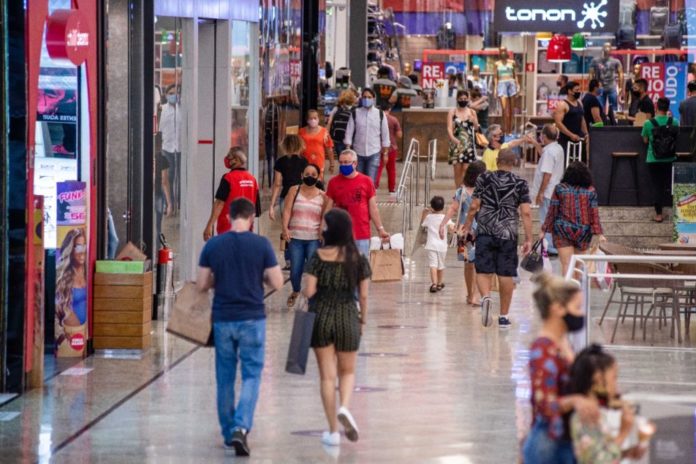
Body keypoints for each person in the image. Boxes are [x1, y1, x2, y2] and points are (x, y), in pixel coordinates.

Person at [197, 198, 284, 456]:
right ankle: (241, 426)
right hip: (252, 318)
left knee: (224, 377)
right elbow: (278, 282)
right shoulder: (261, 245)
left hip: (223, 318)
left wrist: (219, 279)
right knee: (251, 374)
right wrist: (259, 277)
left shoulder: (214, 245)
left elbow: (202, 284)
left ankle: (227, 433)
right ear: (251, 218)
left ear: (229, 216)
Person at [303, 208, 372, 447]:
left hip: (321, 316)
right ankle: (344, 407)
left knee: (326, 375)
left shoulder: (318, 256)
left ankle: (332, 431)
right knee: (348, 371)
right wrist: (362, 320)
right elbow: (363, 296)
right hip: (347, 315)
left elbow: (309, 291)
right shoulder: (359, 259)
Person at [522, 273, 598, 464]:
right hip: (548, 443)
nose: (580, 314)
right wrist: (575, 401)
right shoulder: (542, 349)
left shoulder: (563, 342)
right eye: (577, 307)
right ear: (558, 308)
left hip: (565, 437)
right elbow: (545, 404)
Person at [460, 149, 533, 328]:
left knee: (483, 270)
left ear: (497, 161)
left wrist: (467, 227)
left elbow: (474, 206)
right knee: (505, 273)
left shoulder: (484, 178)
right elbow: (526, 212)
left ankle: (485, 297)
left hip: (485, 231)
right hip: (508, 234)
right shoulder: (520, 183)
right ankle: (503, 316)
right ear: (514, 162)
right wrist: (529, 239)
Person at [568, 345, 648, 464]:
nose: (617, 387)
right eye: (614, 378)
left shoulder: (597, 413)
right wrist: (623, 432)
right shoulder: (585, 417)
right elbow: (597, 461)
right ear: (598, 379)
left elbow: (601, 453)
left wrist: (626, 453)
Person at [541, 161, 605, 278]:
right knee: (578, 266)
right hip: (583, 232)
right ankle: (576, 293)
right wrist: (599, 233)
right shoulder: (590, 191)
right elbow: (594, 213)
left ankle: (567, 295)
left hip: (562, 231)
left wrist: (544, 229)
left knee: (566, 265)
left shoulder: (560, 189)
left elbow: (552, 210)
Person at [325, 149, 390, 256]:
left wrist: (380, 229)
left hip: (361, 234)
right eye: (341, 162)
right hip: (340, 235)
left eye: (346, 162)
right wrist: (324, 229)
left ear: (355, 163)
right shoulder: (333, 182)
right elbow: (328, 208)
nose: (343, 165)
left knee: (360, 270)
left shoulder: (367, 181)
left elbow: (373, 208)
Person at [440, 161, 486, 305]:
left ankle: (469, 294)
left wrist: (443, 224)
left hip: (463, 231)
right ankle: (476, 295)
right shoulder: (485, 190)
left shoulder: (461, 191)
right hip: (481, 229)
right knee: (480, 264)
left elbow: (453, 209)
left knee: (468, 264)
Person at [282, 164, 326, 308]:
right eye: (307, 173)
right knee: (295, 270)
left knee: (313, 270)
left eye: (313, 174)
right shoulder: (294, 191)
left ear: (318, 177)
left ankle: (312, 298)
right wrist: (285, 228)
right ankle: (295, 290)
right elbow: (287, 211)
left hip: (314, 238)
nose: (310, 177)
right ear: (301, 175)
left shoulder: (323, 196)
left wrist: (321, 231)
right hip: (296, 238)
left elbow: (324, 217)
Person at [203, 147, 260, 241]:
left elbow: (219, 203)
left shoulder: (228, 178)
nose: (227, 159)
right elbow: (256, 211)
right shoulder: (252, 180)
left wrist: (209, 226)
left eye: (229, 157)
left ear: (237, 160)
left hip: (227, 229)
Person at [528, 124, 565, 256]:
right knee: (552, 218)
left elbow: (547, 174)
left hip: (548, 191)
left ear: (543, 136)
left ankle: (549, 248)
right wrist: (534, 143)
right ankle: (552, 245)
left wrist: (541, 193)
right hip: (555, 190)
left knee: (546, 219)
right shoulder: (557, 148)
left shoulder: (549, 152)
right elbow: (543, 153)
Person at [641, 97, 679, 223]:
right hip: (670, 159)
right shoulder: (674, 122)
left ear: (656, 107)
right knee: (671, 185)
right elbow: (676, 138)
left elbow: (645, 140)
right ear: (668, 108)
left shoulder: (648, 123)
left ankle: (658, 215)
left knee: (657, 186)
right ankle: (677, 213)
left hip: (654, 159)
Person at [344, 88, 391, 184]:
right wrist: (348, 149)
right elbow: (349, 132)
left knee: (370, 182)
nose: (366, 99)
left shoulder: (380, 114)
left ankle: (369, 199)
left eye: (369, 97)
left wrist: (385, 153)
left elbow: (385, 135)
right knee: (357, 181)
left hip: (374, 152)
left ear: (373, 99)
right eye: (364, 97)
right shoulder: (355, 113)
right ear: (361, 98)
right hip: (357, 152)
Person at [55, 228, 87, 356]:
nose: (82, 251)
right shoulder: (63, 278)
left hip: (84, 335)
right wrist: (61, 336)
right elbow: (55, 312)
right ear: (70, 250)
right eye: (78, 247)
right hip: (68, 337)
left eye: (84, 246)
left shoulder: (87, 272)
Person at [447, 90, 480, 187]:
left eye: (465, 99)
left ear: (468, 99)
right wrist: (453, 138)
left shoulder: (472, 112)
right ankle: (458, 191)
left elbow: (477, 128)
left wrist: (474, 121)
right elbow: (449, 128)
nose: (463, 100)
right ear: (457, 99)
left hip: (468, 145)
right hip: (456, 144)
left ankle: (464, 190)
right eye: (461, 99)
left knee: (466, 169)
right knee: (457, 170)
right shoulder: (452, 112)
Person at [159, 84, 182, 212]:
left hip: (180, 149)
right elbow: (159, 129)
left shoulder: (183, 109)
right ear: (167, 95)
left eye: (176, 93)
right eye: (171, 93)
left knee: (180, 178)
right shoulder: (163, 109)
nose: (174, 95)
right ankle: (169, 205)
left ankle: (179, 204)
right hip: (167, 147)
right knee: (168, 178)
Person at [421, 196, 449, 293]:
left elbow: (423, 223)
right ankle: (440, 283)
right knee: (441, 265)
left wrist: (424, 213)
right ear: (443, 207)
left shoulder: (429, 217)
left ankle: (434, 283)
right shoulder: (445, 218)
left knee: (433, 265)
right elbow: (452, 226)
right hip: (442, 246)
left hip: (431, 245)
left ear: (432, 207)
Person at [299, 109, 335, 181]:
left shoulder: (324, 132)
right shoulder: (301, 131)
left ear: (318, 119)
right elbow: (297, 147)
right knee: (305, 182)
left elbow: (329, 149)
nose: (313, 120)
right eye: (311, 118)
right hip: (304, 162)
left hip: (318, 162)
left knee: (318, 183)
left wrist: (332, 164)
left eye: (315, 118)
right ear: (307, 119)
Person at [554, 81, 588, 156]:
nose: (579, 92)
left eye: (579, 90)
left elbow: (582, 120)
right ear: (569, 91)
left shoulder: (579, 103)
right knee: (566, 164)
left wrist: (586, 134)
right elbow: (558, 123)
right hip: (565, 140)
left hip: (579, 139)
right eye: (576, 90)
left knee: (580, 164)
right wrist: (571, 135)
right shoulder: (562, 105)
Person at [589, 43, 624, 112]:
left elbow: (621, 74)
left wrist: (620, 87)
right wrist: (592, 87)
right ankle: (601, 121)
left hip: (612, 87)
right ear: (602, 48)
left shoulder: (616, 61)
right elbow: (590, 74)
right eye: (605, 47)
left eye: (609, 47)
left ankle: (613, 122)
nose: (607, 48)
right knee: (599, 108)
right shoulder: (595, 61)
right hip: (600, 88)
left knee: (614, 109)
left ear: (611, 49)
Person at [376, 104, 402, 195]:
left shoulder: (376, 119)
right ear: (389, 109)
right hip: (391, 148)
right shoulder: (393, 119)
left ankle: (374, 187)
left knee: (378, 168)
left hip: (378, 148)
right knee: (391, 170)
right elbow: (399, 135)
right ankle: (391, 190)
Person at [493, 46, 519, 135]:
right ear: (499, 52)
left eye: (504, 50)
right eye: (501, 51)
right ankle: (504, 130)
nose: (503, 52)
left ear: (507, 51)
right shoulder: (497, 64)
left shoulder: (512, 62)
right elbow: (495, 77)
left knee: (512, 110)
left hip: (511, 83)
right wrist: (495, 88)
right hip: (501, 83)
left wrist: (517, 84)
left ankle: (510, 131)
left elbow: (515, 75)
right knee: (505, 110)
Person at [327, 90, 357, 156]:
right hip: (350, 139)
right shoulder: (355, 110)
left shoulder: (336, 108)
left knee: (341, 158)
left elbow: (329, 122)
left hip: (338, 139)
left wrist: (327, 135)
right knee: (350, 158)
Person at [155, 151, 172, 241]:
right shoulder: (161, 159)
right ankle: (155, 251)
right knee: (157, 227)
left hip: (143, 196)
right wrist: (169, 203)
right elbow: (164, 182)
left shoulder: (140, 154)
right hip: (156, 195)